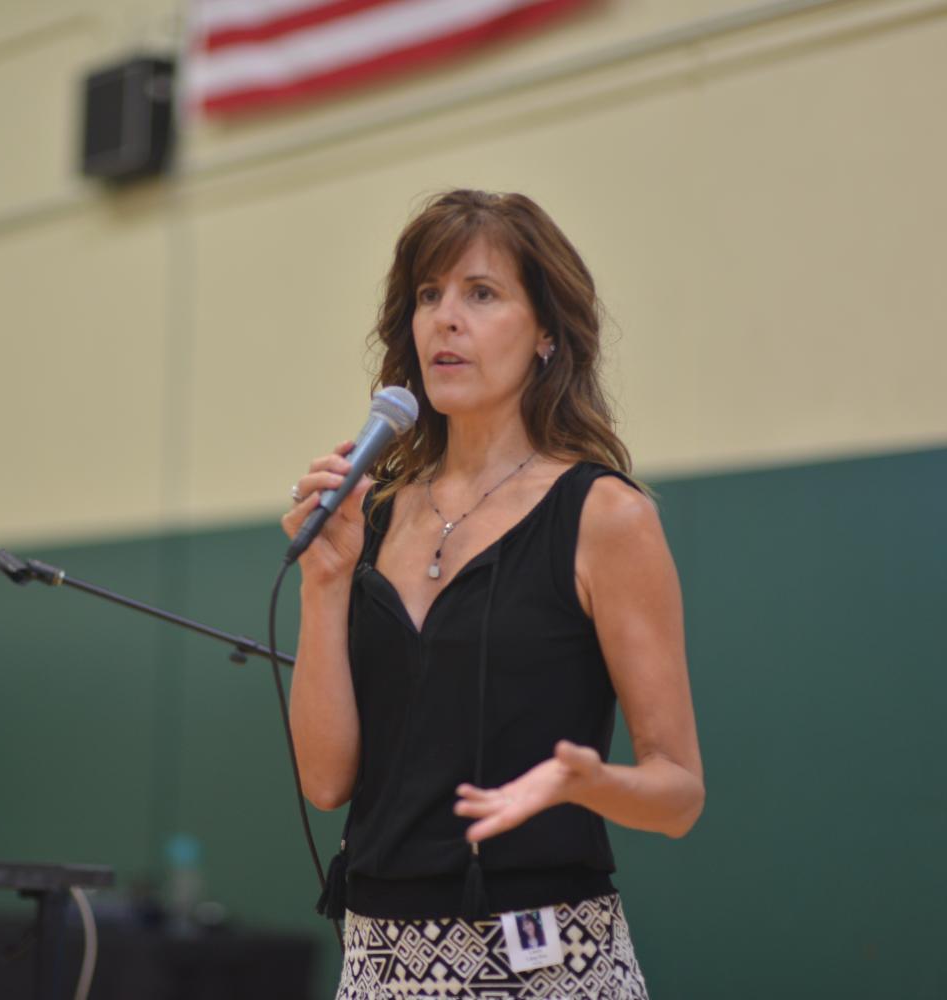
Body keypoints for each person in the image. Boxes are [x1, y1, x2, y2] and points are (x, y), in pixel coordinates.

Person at [281, 190, 703, 999]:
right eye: (428, 296)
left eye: (481, 293)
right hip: (378, 964)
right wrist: (323, 584)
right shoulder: (364, 520)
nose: (445, 319)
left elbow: (679, 794)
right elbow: (327, 784)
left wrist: (587, 783)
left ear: (545, 331)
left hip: (544, 961)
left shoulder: (605, 516)